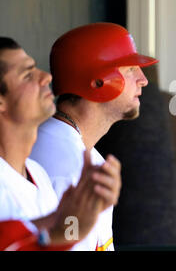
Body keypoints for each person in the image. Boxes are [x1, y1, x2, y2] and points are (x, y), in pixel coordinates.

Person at [30, 22, 158, 251]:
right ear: (99, 83)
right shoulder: (67, 167)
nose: (143, 79)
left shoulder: (80, 150)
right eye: (130, 69)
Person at [0, 37, 121, 251]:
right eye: (27, 75)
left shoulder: (37, 173)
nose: (46, 77)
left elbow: (50, 239)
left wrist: (74, 221)